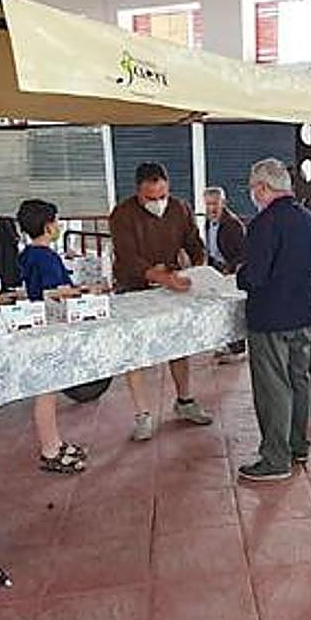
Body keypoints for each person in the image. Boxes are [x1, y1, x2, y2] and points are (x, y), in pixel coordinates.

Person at [108, 162, 214, 441]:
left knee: (179, 344)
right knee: (136, 351)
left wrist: (196, 267)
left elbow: (195, 243)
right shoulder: (122, 214)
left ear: (168, 188)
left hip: (172, 286)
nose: (157, 203)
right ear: (138, 192)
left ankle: (185, 401)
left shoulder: (180, 208)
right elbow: (128, 257)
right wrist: (159, 276)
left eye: (162, 196)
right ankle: (142, 415)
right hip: (134, 288)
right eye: (150, 198)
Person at [236, 159, 311, 481]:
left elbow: (255, 276)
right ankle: (298, 445)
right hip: (302, 312)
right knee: (300, 380)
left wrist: (239, 275)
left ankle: (274, 458)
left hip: (270, 317)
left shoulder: (263, 224)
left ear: (262, 187)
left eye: (252, 188)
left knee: (273, 387)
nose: (252, 194)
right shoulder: (309, 219)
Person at [16, 199, 87, 474]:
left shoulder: (27, 254)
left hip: (39, 325)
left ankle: (55, 442)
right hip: (49, 328)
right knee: (46, 393)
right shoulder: (47, 257)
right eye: (56, 222)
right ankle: (50, 449)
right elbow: (53, 292)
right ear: (48, 225)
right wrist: (82, 290)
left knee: (48, 391)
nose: (58, 226)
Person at [204, 186, 247, 360]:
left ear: (224, 203)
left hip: (229, 271)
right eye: (208, 204)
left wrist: (229, 270)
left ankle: (238, 349)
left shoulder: (233, 224)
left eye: (215, 204)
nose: (211, 208)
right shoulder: (209, 221)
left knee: (232, 311)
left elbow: (243, 253)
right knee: (219, 309)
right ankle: (227, 343)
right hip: (216, 269)